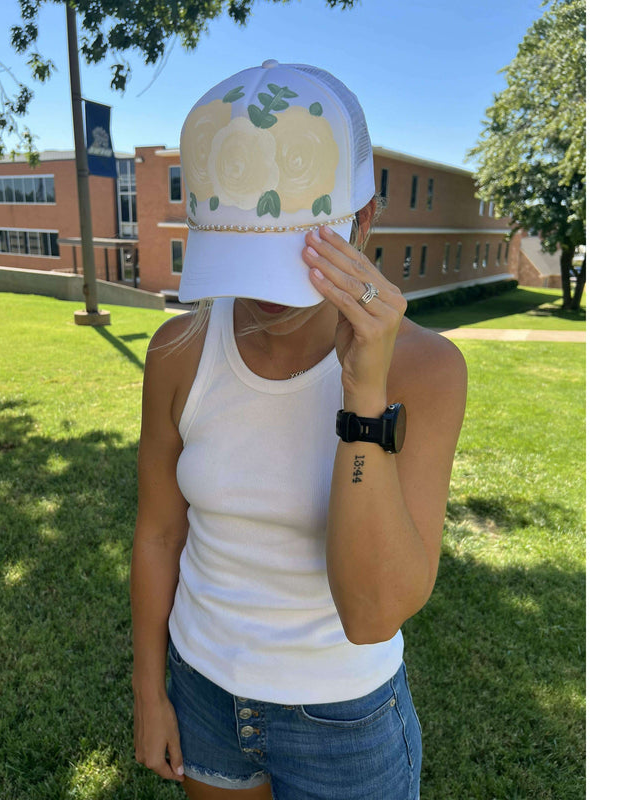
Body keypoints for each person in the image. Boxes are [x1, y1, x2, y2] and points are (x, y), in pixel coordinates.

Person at [131, 60, 467, 800]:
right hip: (202, 690)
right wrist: (150, 688)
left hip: (342, 724)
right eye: (238, 254)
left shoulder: (428, 372)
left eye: (287, 256)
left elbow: (373, 611)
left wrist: (364, 395)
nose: (257, 295)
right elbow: (159, 531)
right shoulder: (178, 352)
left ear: (364, 220)